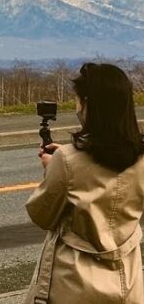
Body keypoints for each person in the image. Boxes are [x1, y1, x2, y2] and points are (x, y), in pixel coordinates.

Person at [24, 63, 144, 304]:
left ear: (89, 105)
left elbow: (41, 215)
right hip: (127, 280)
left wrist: (55, 169)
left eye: (78, 101)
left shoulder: (67, 160)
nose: (77, 108)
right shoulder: (140, 156)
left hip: (73, 283)